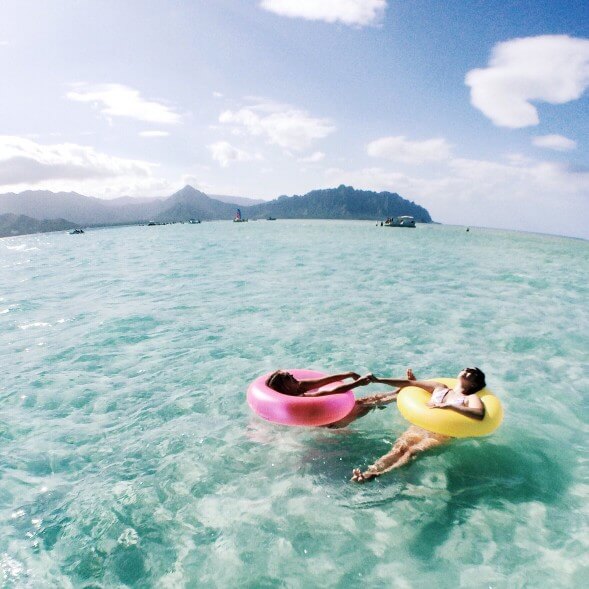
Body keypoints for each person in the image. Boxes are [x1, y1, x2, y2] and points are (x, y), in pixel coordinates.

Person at [351, 367, 487, 483]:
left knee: (412, 452)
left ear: (475, 384)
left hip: (441, 434)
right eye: (467, 368)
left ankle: (378, 475)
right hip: (420, 427)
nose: (467, 369)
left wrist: (450, 406)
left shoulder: (470, 398)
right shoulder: (440, 387)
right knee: (399, 449)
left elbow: (479, 413)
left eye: (473, 372)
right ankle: (368, 473)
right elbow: (410, 383)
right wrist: (378, 379)